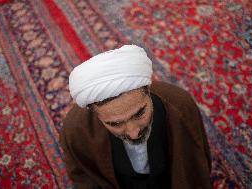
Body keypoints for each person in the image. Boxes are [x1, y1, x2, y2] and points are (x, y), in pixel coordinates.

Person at [60, 45, 212, 189]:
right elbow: (83, 177)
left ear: (148, 91)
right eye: (115, 124)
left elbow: (196, 162)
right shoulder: (75, 131)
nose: (133, 133)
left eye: (139, 114)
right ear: (94, 114)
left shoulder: (180, 105)